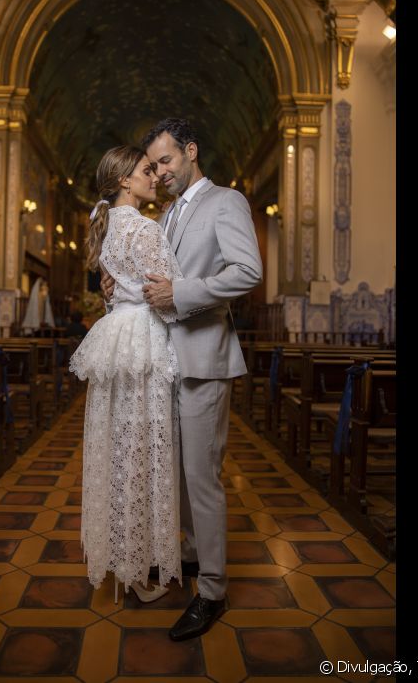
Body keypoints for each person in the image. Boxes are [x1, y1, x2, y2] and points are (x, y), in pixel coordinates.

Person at [102, 118, 263, 641]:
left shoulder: (226, 201)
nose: (161, 172)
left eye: (166, 160)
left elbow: (247, 271)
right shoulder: (166, 213)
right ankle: (191, 558)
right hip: (162, 361)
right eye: (153, 166)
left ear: (192, 151)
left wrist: (183, 293)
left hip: (203, 359)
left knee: (202, 476)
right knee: (176, 473)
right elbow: (148, 280)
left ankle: (212, 591)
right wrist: (118, 285)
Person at [69, 145, 184, 604]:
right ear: (123, 181)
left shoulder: (105, 228)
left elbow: (115, 292)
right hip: (143, 342)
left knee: (117, 450)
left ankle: (123, 559)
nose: (153, 177)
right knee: (145, 452)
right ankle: (139, 569)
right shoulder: (145, 229)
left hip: (115, 338)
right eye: (144, 171)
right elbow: (169, 295)